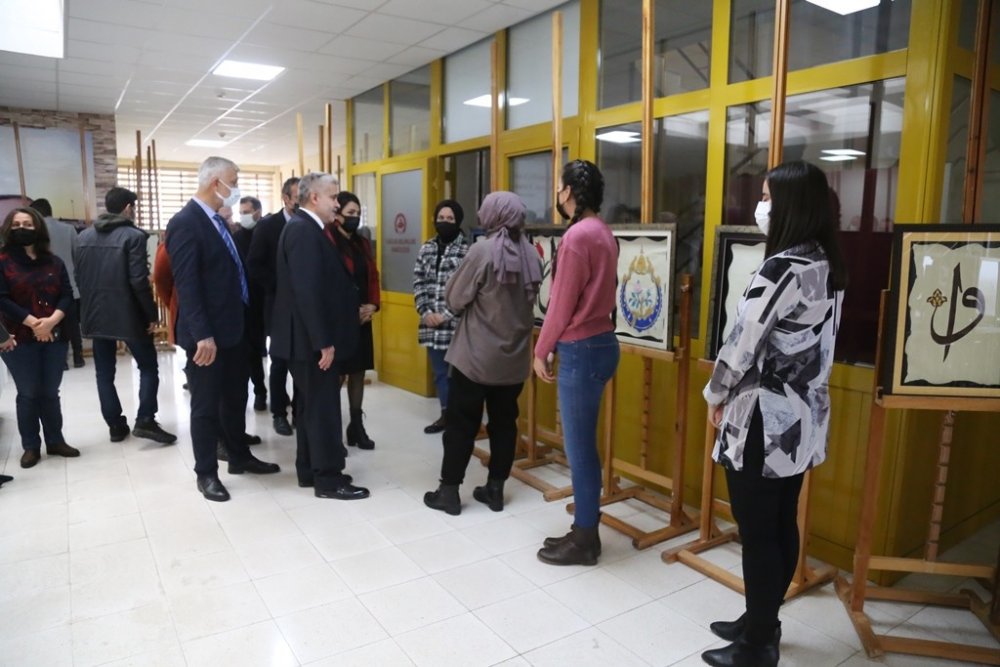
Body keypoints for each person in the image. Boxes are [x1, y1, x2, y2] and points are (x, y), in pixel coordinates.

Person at [700, 161, 846, 667]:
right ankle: (762, 618)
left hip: (762, 418)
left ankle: (758, 643)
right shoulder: (827, 264)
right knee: (781, 521)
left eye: (766, 197)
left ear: (788, 206)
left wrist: (714, 396)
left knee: (758, 530)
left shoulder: (781, 268)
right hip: (803, 419)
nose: (760, 206)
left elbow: (741, 345)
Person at [165, 156, 280, 502]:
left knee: (235, 398)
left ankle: (240, 457)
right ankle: (206, 473)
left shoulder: (216, 221)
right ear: (216, 183)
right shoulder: (186, 222)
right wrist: (202, 334)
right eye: (234, 179)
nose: (237, 185)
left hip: (233, 330)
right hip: (208, 337)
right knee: (205, 406)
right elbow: (187, 283)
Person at [423, 192, 540, 516]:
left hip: (475, 358)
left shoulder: (482, 250)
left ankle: (448, 492)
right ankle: (495, 489)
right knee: (504, 424)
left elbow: (455, 297)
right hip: (513, 360)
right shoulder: (532, 253)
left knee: (461, 424)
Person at [533, 160, 619, 566]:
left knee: (580, 449)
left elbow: (562, 302)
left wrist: (540, 349)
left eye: (559, 187)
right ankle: (584, 527)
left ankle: (586, 538)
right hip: (603, 342)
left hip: (580, 348)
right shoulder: (604, 232)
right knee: (586, 445)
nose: (558, 194)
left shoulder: (576, 237)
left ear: (569, 191)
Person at [271, 172, 369, 500]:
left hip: (307, 339)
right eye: (333, 197)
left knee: (310, 407)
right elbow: (307, 291)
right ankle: (328, 478)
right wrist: (323, 341)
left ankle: (308, 468)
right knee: (324, 409)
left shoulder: (311, 229)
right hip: (311, 342)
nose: (337, 204)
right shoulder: (303, 231)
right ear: (314, 198)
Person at [76, 187, 176, 444]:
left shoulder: (83, 236)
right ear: (128, 208)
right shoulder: (133, 236)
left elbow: (79, 277)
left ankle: (115, 426)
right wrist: (151, 315)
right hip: (128, 314)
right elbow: (138, 281)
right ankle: (145, 420)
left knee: (103, 373)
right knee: (148, 366)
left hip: (95, 313)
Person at [0, 207, 80, 468]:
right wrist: (35, 323)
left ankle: (55, 441)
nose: (22, 228)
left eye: (28, 223)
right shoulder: (2, 261)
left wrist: (52, 320)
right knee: (28, 392)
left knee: (50, 391)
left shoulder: (53, 261)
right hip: (18, 337)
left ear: (38, 228)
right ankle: (31, 446)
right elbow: (2, 299)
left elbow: (67, 294)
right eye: (17, 223)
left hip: (54, 335)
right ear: (9, 229)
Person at [247, 177, 299, 437]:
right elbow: (254, 265)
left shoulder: (313, 225)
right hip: (277, 304)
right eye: (296, 197)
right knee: (279, 361)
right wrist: (279, 285)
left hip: (305, 307)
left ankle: (301, 409)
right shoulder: (268, 227)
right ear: (286, 199)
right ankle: (279, 413)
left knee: (303, 361)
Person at [413, 199, 469, 434]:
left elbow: (467, 289)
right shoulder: (426, 248)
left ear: (458, 222)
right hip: (430, 324)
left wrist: (445, 314)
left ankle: (460, 419)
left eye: (450, 219)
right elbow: (418, 282)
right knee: (439, 374)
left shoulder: (467, 251)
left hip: (455, 324)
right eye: (441, 218)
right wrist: (426, 312)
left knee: (458, 376)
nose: (444, 222)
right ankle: (445, 415)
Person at [328, 191, 379, 450]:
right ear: (337, 214)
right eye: (350, 213)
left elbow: (372, 275)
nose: (354, 218)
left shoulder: (362, 242)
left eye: (358, 214)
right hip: (340, 319)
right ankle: (331, 432)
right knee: (337, 374)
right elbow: (332, 283)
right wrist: (351, 312)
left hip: (363, 317)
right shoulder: (327, 239)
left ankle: (356, 426)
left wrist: (372, 305)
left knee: (358, 370)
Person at [29, 198, 85, 368]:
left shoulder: (36, 232)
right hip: (71, 286)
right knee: (73, 325)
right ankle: (78, 357)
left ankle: (61, 361)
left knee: (53, 323)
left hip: (45, 289)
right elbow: (78, 258)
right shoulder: (69, 230)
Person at [236, 195, 267, 412]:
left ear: (257, 212)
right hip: (246, 305)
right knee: (251, 352)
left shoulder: (266, 232)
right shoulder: (237, 237)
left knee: (275, 354)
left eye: (247, 212)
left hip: (267, 299)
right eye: (242, 212)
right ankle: (258, 392)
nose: (243, 216)